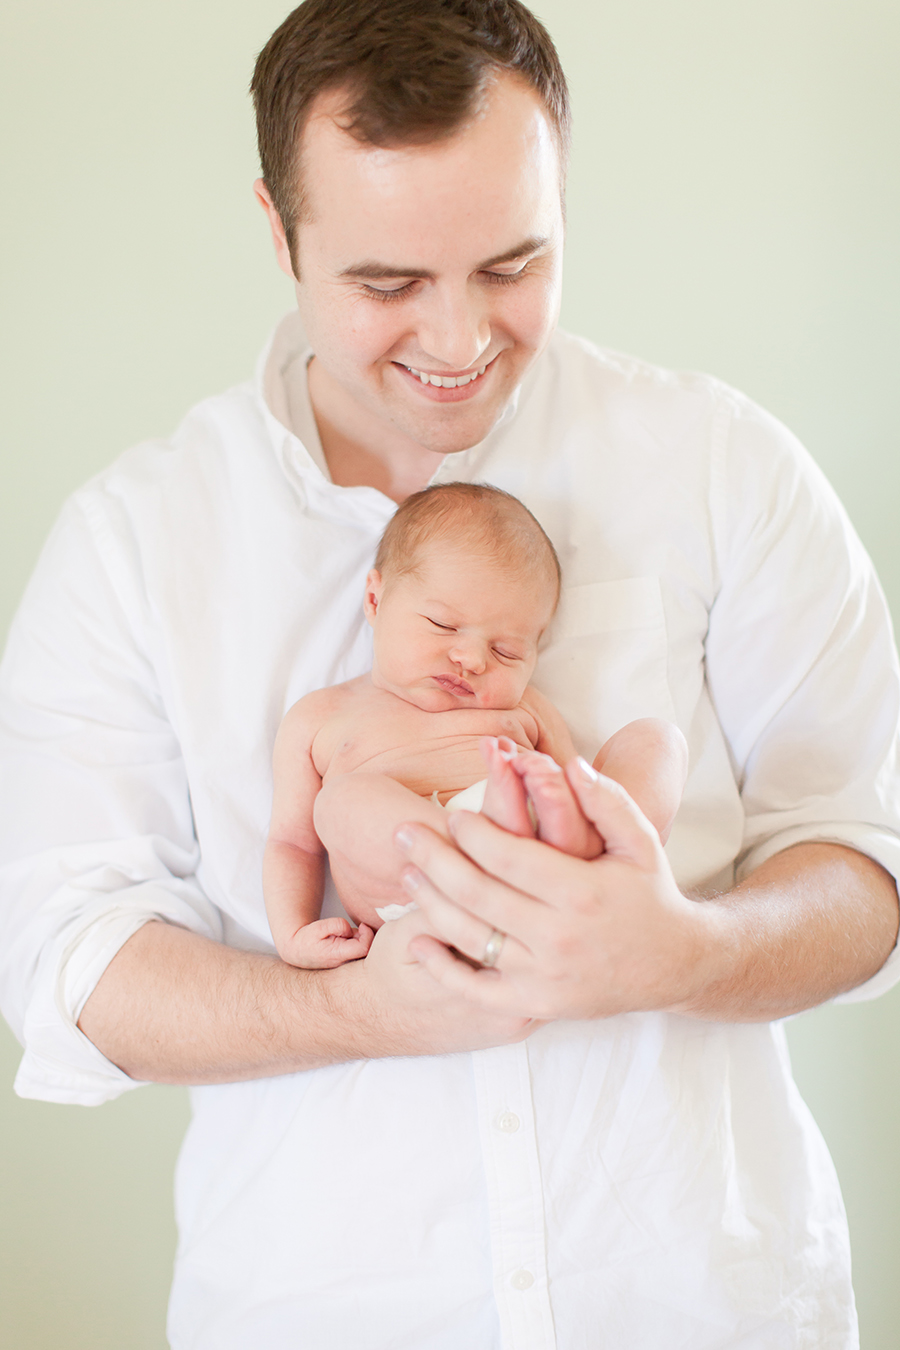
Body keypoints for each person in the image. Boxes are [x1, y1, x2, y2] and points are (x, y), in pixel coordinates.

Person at [1, 1, 899, 1345]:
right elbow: (66, 960)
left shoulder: (720, 464)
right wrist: (353, 1006)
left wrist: (684, 950)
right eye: (387, 284)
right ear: (276, 228)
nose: (462, 334)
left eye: (514, 262)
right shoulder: (136, 543)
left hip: (709, 1308)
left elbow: (871, 860)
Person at [263, 481, 688, 966]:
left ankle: (614, 862)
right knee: (341, 803)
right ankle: (474, 857)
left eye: (505, 650)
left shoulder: (524, 707)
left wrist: (573, 819)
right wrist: (292, 932)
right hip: (415, 881)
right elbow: (292, 842)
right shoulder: (321, 716)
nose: (470, 659)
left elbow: (577, 781)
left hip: (539, 856)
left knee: (657, 740)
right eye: (443, 625)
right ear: (376, 601)